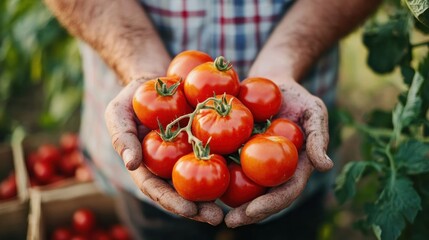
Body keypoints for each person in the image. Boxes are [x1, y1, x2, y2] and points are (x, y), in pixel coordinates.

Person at [43, 0, 381, 239]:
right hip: (143, 143)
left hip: (296, 93)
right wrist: (139, 65)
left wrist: (284, 62)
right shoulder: (194, 118)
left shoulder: (269, 129)